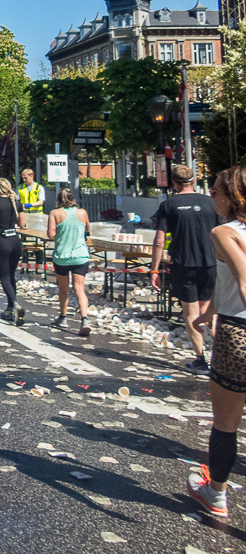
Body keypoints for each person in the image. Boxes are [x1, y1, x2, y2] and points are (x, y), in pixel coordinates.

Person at [187, 166, 246, 521]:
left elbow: (243, 278)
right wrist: (209, 312)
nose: (211, 196)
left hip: (239, 334)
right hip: (229, 319)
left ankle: (217, 494)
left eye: (214, 191)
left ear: (232, 196)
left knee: (226, 423)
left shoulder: (224, 231)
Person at [150, 163, 218, 372]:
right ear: (194, 181)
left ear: (173, 183)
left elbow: (159, 240)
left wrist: (154, 270)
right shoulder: (212, 203)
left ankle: (200, 360)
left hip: (184, 264)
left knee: (191, 312)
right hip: (211, 264)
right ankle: (223, 358)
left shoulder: (169, 205)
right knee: (209, 312)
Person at [46, 187, 92, 336]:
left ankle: (63, 317)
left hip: (62, 257)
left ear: (58, 200)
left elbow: (51, 234)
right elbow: (87, 230)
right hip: (80, 256)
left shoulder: (54, 213)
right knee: (79, 289)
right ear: (73, 199)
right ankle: (84, 319)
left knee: (63, 288)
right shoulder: (82, 212)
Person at [0, 177, 27, 325]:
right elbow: (22, 223)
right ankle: (9, 309)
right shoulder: (16, 201)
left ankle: (15, 303)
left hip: (1, 240)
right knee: (11, 276)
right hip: (15, 240)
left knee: (4, 276)